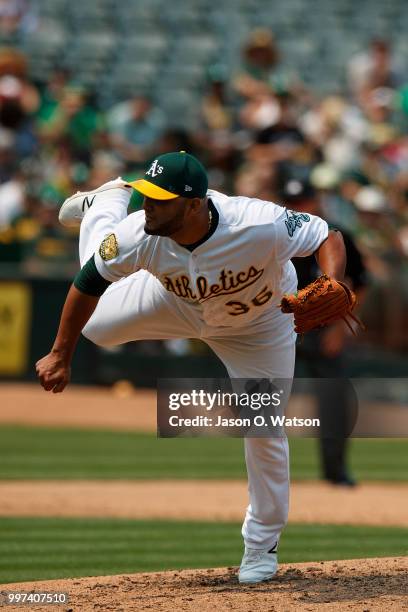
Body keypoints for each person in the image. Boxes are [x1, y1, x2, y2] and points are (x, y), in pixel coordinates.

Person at [36, 151, 346, 583]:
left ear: (195, 203)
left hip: (259, 327)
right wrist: (60, 353)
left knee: (263, 428)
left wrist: (332, 281)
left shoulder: (257, 222)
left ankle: (261, 548)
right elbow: (88, 282)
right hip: (175, 303)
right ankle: (105, 203)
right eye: (144, 196)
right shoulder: (140, 233)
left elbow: (326, 235)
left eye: (160, 200)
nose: (148, 206)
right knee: (98, 326)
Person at [278, 176, 367, 485]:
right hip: (279, 327)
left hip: (323, 330)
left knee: (333, 401)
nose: (296, 209)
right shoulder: (273, 235)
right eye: (290, 203)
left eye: (302, 202)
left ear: (315, 202)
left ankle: (335, 472)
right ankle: (267, 475)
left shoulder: (336, 237)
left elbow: (360, 284)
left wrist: (340, 330)